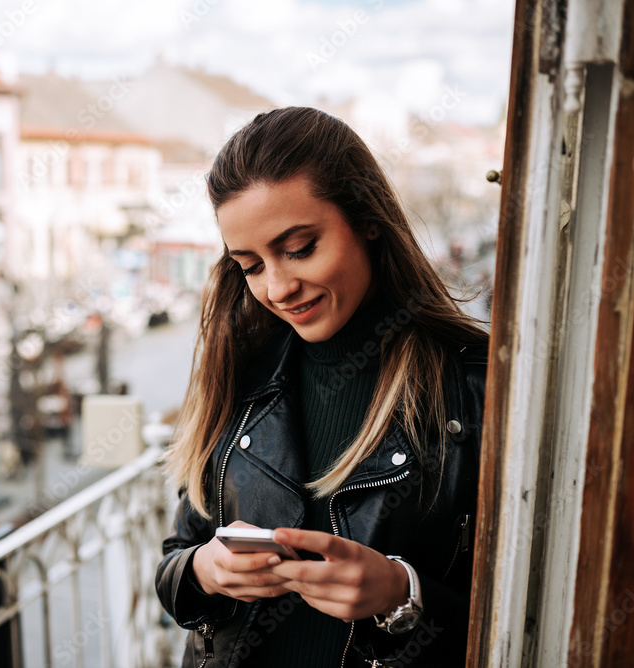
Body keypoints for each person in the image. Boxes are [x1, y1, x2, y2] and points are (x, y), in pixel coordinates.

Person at [155, 107, 488, 667]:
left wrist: (402, 595)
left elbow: (531, 619)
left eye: (300, 247)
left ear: (368, 219)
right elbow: (176, 560)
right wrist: (205, 569)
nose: (278, 287)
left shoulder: (475, 388)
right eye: (251, 265)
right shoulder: (238, 372)